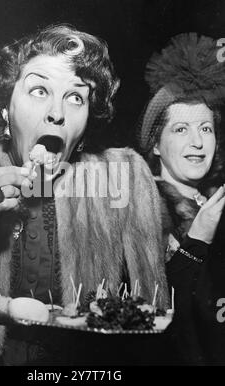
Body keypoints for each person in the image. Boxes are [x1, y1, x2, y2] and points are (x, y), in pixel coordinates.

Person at [0, 24, 168, 365]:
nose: (57, 112)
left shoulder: (119, 184)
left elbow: (149, 317)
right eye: (39, 90)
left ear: (84, 129)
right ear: (6, 111)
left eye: (75, 96)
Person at [138, 33, 225, 365]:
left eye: (205, 129)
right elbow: (156, 316)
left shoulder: (214, 203)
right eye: (180, 129)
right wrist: (197, 241)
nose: (198, 143)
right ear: (156, 144)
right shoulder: (142, 208)